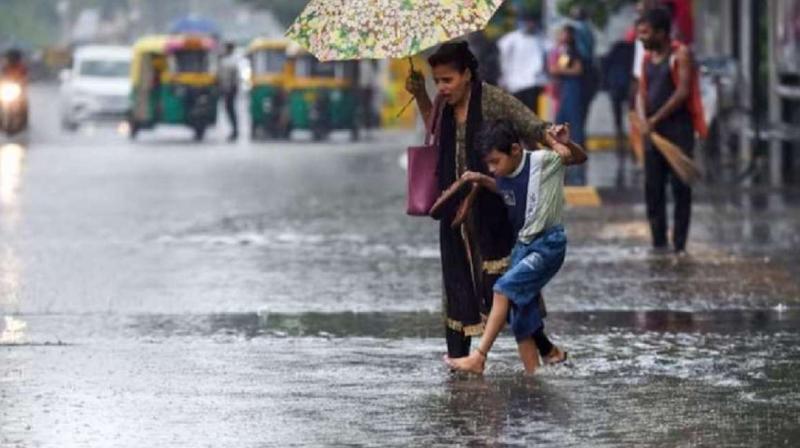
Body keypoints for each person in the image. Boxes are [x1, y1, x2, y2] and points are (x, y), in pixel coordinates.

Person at [405, 42, 564, 363]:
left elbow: (529, 124)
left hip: (492, 205)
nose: (442, 88)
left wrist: (554, 136)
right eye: (437, 81)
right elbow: (435, 133)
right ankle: (457, 362)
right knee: (456, 282)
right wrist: (422, 94)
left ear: (467, 74)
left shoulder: (491, 99)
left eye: (447, 80)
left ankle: (545, 350)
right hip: (453, 204)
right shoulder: (443, 104)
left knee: (505, 284)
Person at [445, 119, 586, 374]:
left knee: (503, 289)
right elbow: (503, 189)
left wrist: (566, 144)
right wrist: (480, 179)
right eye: (488, 164)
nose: (492, 169)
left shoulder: (542, 162)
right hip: (523, 246)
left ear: (515, 150)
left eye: (495, 161)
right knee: (520, 314)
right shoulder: (503, 174)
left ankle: (479, 357)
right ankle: (534, 375)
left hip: (547, 245)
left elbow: (577, 158)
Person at [636, 7, 706, 253]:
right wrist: (644, 119)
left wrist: (654, 119)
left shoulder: (680, 54)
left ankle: (679, 245)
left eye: (645, 32)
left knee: (680, 188)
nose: (641, 37)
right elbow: (642, 91)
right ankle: (658, 244)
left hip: (678, 131)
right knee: (653, 189)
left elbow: (683, 92)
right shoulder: (646, 59)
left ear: (661, 32)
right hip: (653, 135)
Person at [549, 25, 586, 185]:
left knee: (573, 122)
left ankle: (576, 152)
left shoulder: (573, 51)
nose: (561, 36)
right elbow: (553, 68)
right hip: (565, 90)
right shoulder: (562, 50)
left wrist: (560, 70)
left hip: (573, 89)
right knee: (561, 120)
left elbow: (577, 70)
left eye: (564, 33)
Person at [497, 11, 549, 116]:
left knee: (532, 113)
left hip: (533, 82)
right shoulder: (510, 39)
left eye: (532, 22)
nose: (530, 24)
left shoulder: (540, 39)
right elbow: (502, 58)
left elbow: (550, 53)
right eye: (527, 22)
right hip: (514, 83)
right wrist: (503, 78)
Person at [219, 42, 240, 141]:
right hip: (226, 88)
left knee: (231, 110)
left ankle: (235, 131)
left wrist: (231, 89)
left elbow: (234, 78)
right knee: (229, 110)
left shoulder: (232, 61)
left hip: (230, 89)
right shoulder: (225, 59)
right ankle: (234, 130)